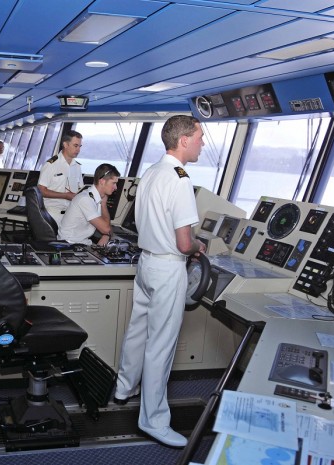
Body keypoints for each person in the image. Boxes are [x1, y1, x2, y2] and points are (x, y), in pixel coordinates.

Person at [114, 115, 206, 448]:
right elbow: (184, 243)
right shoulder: (180, 178)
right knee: (161, 345)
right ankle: (153, 420)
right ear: (184, 140)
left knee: (138, 330)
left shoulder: (151, 172)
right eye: (199, 137)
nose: (202, 143)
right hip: (168, 267)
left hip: (146, 263)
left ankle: (124, 388)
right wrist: (199, 246)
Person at [57, 164, 119, 246]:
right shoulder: (86, 199)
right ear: (102, 181)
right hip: (69, 244)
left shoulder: (94, 197)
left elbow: (107, 231)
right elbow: (107, 229)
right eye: (113, 183)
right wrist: (104, 204)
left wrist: (106, 235)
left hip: (80, 242)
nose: (116, 187)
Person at [37, 130, 84, 225]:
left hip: (70, 214)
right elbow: (41, 191)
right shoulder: (51, 164)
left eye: (80, 146)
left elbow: (79, 190)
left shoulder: (77, 166)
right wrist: (65, 195)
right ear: (65, 145)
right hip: (51, 214)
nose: (78, 150)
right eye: (75, 146)